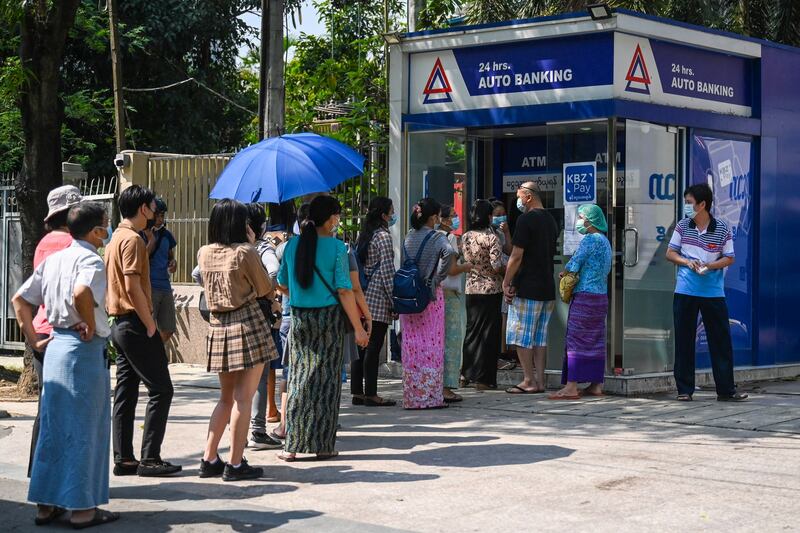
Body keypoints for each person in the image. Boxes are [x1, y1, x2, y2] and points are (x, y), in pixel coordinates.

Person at [13, 202, 120, 528]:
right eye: (104, 224)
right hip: (82, 352)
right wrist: (88, 322)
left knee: (53, 428)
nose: (107, 230)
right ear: (94, 231)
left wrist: (33, 339)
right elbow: (81, 291)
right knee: (86, 429)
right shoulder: (90, 259)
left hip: (56, 347)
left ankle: (46, 506)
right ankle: (83, 509)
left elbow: (20, 300)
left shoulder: (54, 259)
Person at [276, 196, 368, 461]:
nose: (338, 221)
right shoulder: (338, 248)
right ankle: (323, 445)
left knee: (298, 380)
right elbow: (344, 289)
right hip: (329, 320)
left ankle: (291, 446)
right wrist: (359, 329)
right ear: (330, 219)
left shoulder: (292, 246)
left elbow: (280, 283)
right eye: (337, 216)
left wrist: (300, 294)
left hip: (300, 318)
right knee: (326, 383)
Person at [196, 199, 278, 481]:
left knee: (226, 398)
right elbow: (266, 287)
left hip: (218, 327)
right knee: (244, 399)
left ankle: (208, 458)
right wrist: (253, 246)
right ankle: (235, 463)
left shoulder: (203, 252)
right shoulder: (245, 252)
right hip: (247, 324)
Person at [106, 185, 181, 477]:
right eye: (152, 207)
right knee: (162, 390)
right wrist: (150, 323)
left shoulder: (115, 238)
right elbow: (132, 285)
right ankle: (150, 459)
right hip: (135, 323)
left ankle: (124, 458)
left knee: (126, 392)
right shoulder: (133, 240)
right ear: (142, 210)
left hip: (119, 324)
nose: (154, 213)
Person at [666, 183, 748, 402]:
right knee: (684, 340)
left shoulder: (722, 227)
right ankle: (684, 390)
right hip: (685, 291)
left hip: (713, 293)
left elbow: (729, 257)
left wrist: (710, 266)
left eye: (689, 202)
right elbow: (670, 253)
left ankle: (726, 390)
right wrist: (687, 262)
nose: (686, 206)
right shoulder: (683, 226)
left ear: (703, 204)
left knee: (720, 340)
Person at [27, 185, 82, 478]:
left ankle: (38, 474)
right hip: (62, 333)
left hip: (41, 330)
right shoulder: (70, 245)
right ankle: (58, 481)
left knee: (47, 409)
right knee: (65, 412)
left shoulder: (45, 242)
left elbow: (25, 297)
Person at [400, 198, 466, 409]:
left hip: (410, 295)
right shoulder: (437, 238)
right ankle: (430, 395)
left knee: (412, 344)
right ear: (432, 217)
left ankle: (413, 394)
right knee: (433, 344)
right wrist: (437, 277)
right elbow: (449, 253)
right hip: (430, 296)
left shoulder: (409, 236)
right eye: (438, 215)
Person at [549, 204, 612, 400]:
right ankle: (595, 385)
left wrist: (565, 272)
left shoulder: (589, 240)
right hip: (600, 297)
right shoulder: (605, 241)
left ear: (590, 220)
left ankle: (571, 386)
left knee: (576, 340)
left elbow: (574, 262)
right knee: (595, 341)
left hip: (584, 296)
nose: (580, 220)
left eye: (582, 216)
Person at [502, 182, 558, 394]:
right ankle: (540, 381)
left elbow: (516, 256)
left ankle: (528, 380)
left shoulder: (526, 220)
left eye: (518, 196)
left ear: (528, 197)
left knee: (521, 335)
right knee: (540, 337)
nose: (517, 201)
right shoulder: (551, 220)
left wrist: (507, 281)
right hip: (547, 286)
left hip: (528, 286)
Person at [269, 203, 309, 443]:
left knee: (288, 371)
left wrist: (291, 294)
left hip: (288, 315)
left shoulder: (285, 247)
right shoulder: (333, 247)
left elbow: (279, 282)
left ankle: (285, 422)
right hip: (303, 315)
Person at [247, 202, 285, 451]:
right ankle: (257, 430)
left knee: (238, 382)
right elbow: (275, 272)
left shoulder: (218, 249)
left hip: (229, 320)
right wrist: (264, 293)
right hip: (259, 318)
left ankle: (238, 429)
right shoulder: (260, 249)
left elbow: (197, 273)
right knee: (260, 376)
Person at [352, 196, 397, 407]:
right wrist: (394, 300)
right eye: (392, 211)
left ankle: (357, 392)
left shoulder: (365, 235)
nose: (393, 215)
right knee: (373, 346)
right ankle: (371, 393)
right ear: (384, 215)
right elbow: (388, 272)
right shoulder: (383, 237)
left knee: (361, 346)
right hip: (378, 297)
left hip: (363, 295)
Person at [461, 199, 504, 390]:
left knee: (472, 332)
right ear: (488, 216)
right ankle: (484, 379)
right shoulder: (492, 238)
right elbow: (496, 266)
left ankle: (465, 374)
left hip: (471, 288)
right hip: (491, 289)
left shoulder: (466, 236)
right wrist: (508, 271)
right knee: (488, 335)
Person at [438, 205, 467, 403]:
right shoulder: (449, 238)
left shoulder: (430, 236)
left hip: (435, 294)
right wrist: (469, 266)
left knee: (438, 341)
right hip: (450, 293)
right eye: (453, 216)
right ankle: (447, 387)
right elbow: (452, 269)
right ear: (444, 219)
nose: (456, 219)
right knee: (452, 341)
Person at [141, 198, 178, 344]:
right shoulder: (141, 235)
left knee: (169, 328)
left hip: (165, 286)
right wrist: (151, 240)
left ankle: (153, 351)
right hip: (150, 287)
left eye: (162, 216)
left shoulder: (166, 235)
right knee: (148, 328)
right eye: (157, 215)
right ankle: (151, 356)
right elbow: (141, 259)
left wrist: (173, 264)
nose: (160, 219)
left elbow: (171, 258)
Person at [491, 199, 515, 370]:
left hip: (505, 279)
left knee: (505, 315)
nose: (501, 218)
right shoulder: (488, 234)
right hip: (496, 280)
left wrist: (506, 233)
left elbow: (510, 250)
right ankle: (499, 353)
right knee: (499, 317)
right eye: (497, 215)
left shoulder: (501, 232)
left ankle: (505, 350)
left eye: (503, 214)